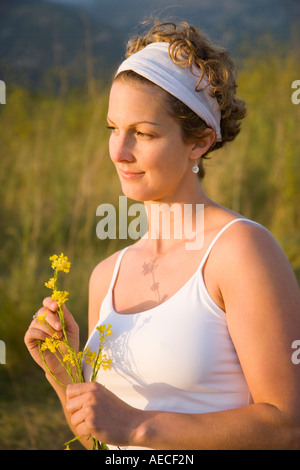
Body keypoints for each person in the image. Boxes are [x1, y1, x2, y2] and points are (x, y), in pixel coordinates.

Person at [24, 20, 300, 450]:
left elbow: (286, 426)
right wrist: (64, 376)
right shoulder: (106, 275)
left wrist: (140, 427)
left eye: (144, 133)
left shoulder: (241, 250)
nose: (119, 151)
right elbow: (103, 436)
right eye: (113, 128)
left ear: (199, 143)